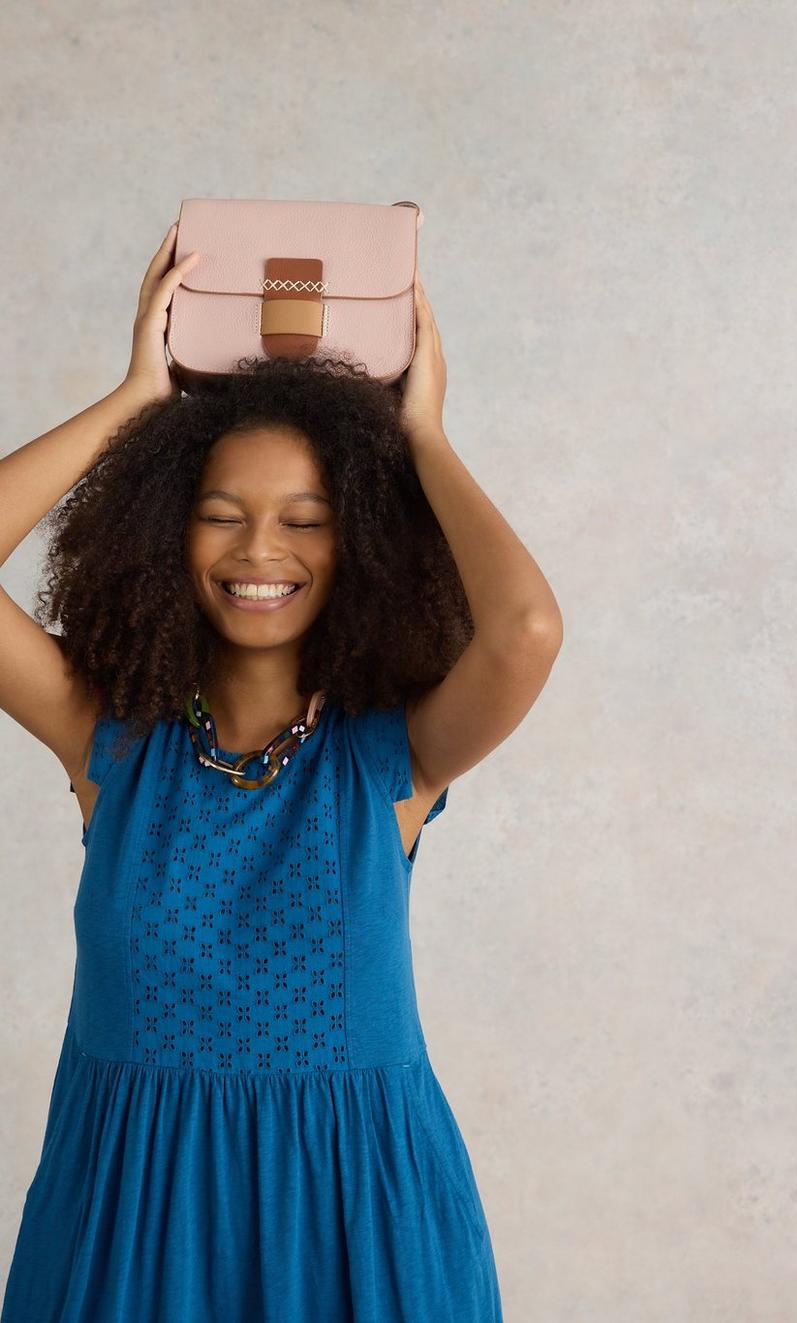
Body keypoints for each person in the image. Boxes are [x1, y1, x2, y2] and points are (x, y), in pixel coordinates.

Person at [0, 222, 563, 1321]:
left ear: (361, 548)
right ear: (164, 537)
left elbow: (526, 628)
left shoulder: (391, 761)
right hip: (130, 1219)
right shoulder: (110, 746)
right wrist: (133, 402)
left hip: (359, 1227)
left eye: (308, 521)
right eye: (220, 515)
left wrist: (422, 442)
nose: (261, 552)